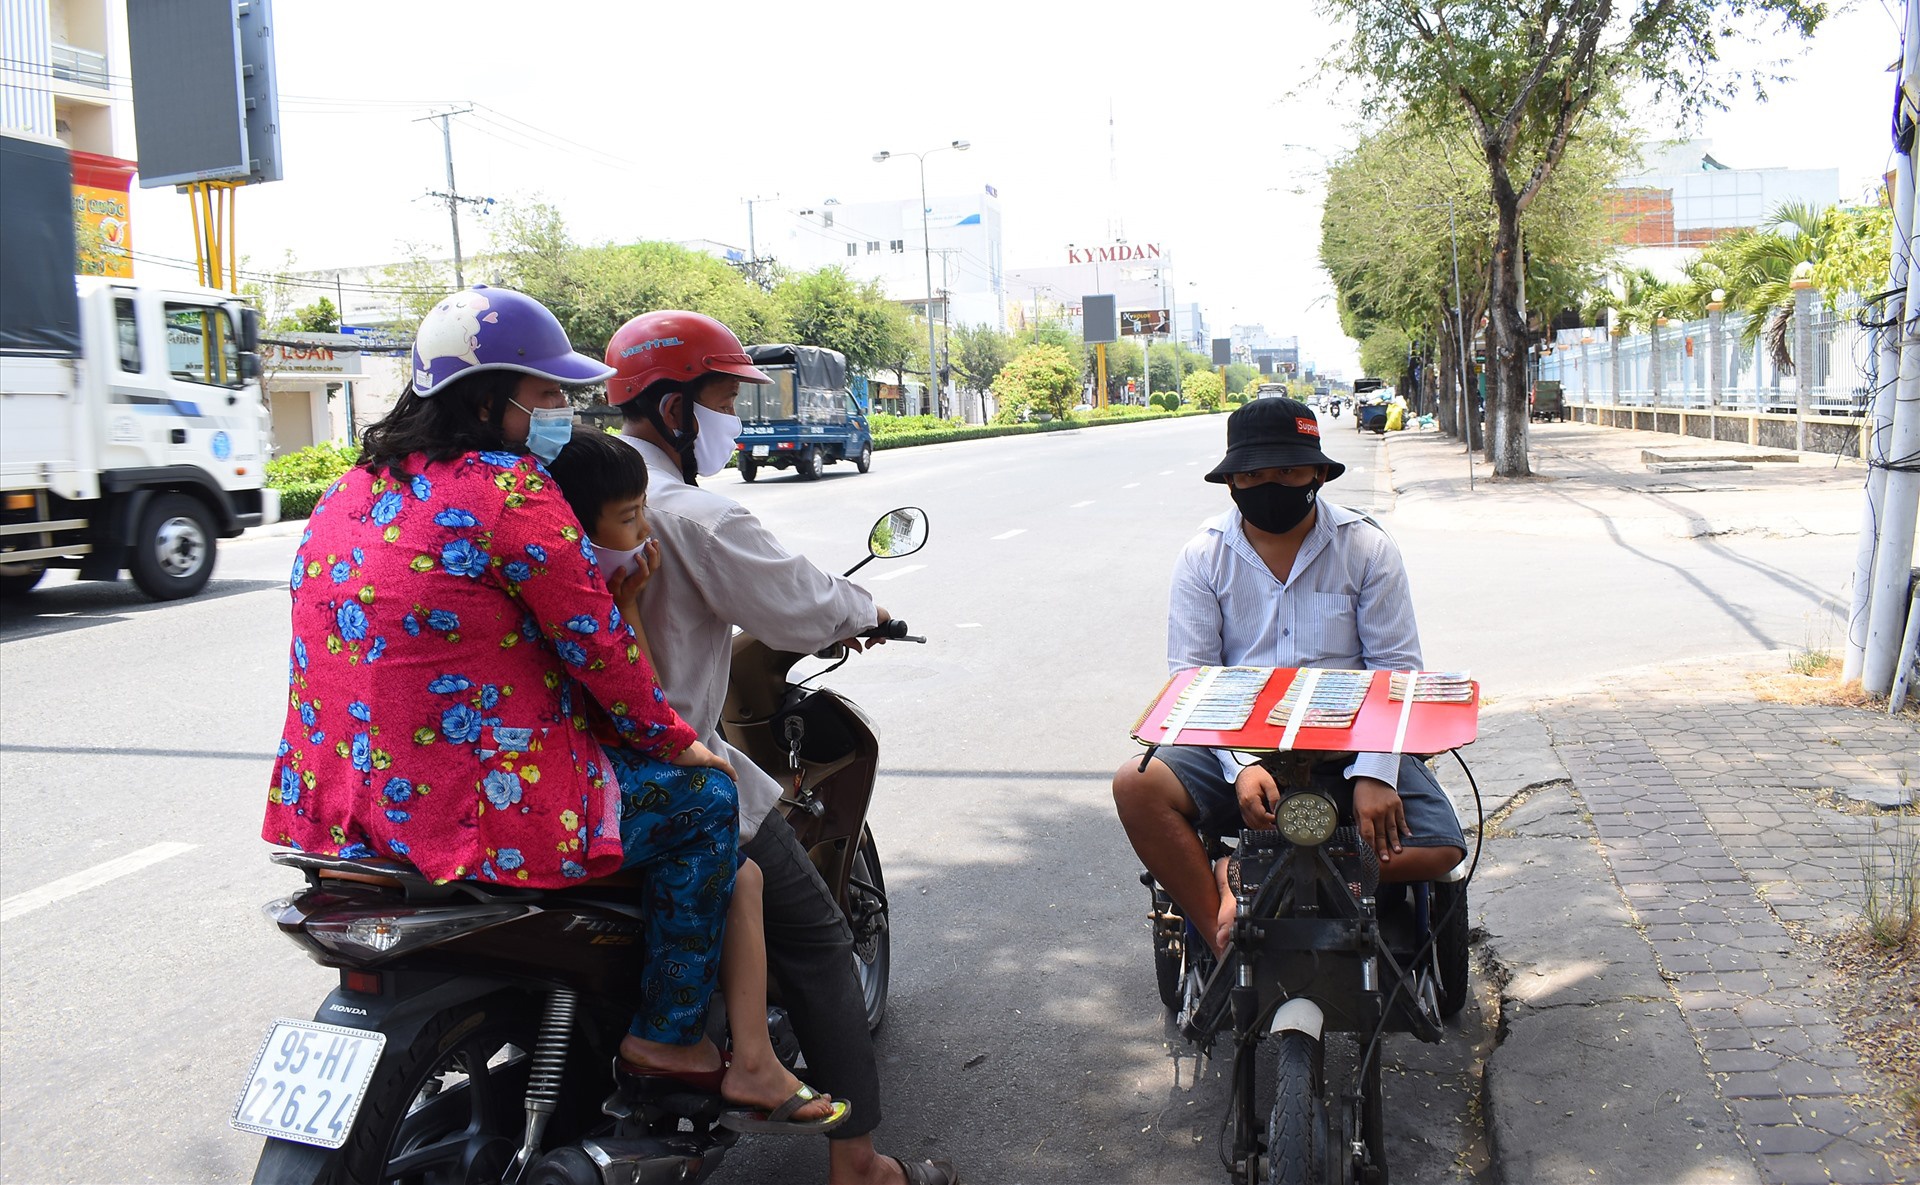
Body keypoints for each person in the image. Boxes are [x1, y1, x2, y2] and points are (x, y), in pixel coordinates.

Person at [262, 285, 740, 1089]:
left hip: (342, 809)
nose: (562, 408)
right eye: (548, 392)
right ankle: (668, 1035)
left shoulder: (350, 489)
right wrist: (680, 740)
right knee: (707, 806)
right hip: (483, 807)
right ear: (492, 400)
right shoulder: (510, 490)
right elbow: (598, 649)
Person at [604, 310, 960, 1185]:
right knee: (819, 941)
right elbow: (797, 601)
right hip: (671, 767)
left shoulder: (552, 497)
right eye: (725, 398)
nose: (734, 418)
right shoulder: (689, 512)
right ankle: (861, 1163)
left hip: (553, 775)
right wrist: (867, 610)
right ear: (678, 410)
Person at [543, 430, 845, 1133]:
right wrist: (690, 752)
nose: (646, 530)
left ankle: (754, 1055)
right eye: (628, 518)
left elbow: (636, 691)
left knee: (740, 878)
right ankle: (674, 1034)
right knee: (715, 798)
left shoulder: (579, 582)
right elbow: (641, 709)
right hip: (570, 795)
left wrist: (631, 600)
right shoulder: (562, 589)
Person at [1111, 396, 1467, 958]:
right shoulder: (1204, 556)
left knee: (1441, 850)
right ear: (1231, 482)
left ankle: (1259, 874)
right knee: (1136, 784)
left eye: (1289, 471)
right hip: (1237, 745)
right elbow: (1193, 680)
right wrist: (1241, 765)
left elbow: (1396, 673)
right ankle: (1221, 928)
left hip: (1351, 746)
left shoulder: (1366, 547)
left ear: (1319, 474)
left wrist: (1377, 775)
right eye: (1254, 474)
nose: (1270, 485)